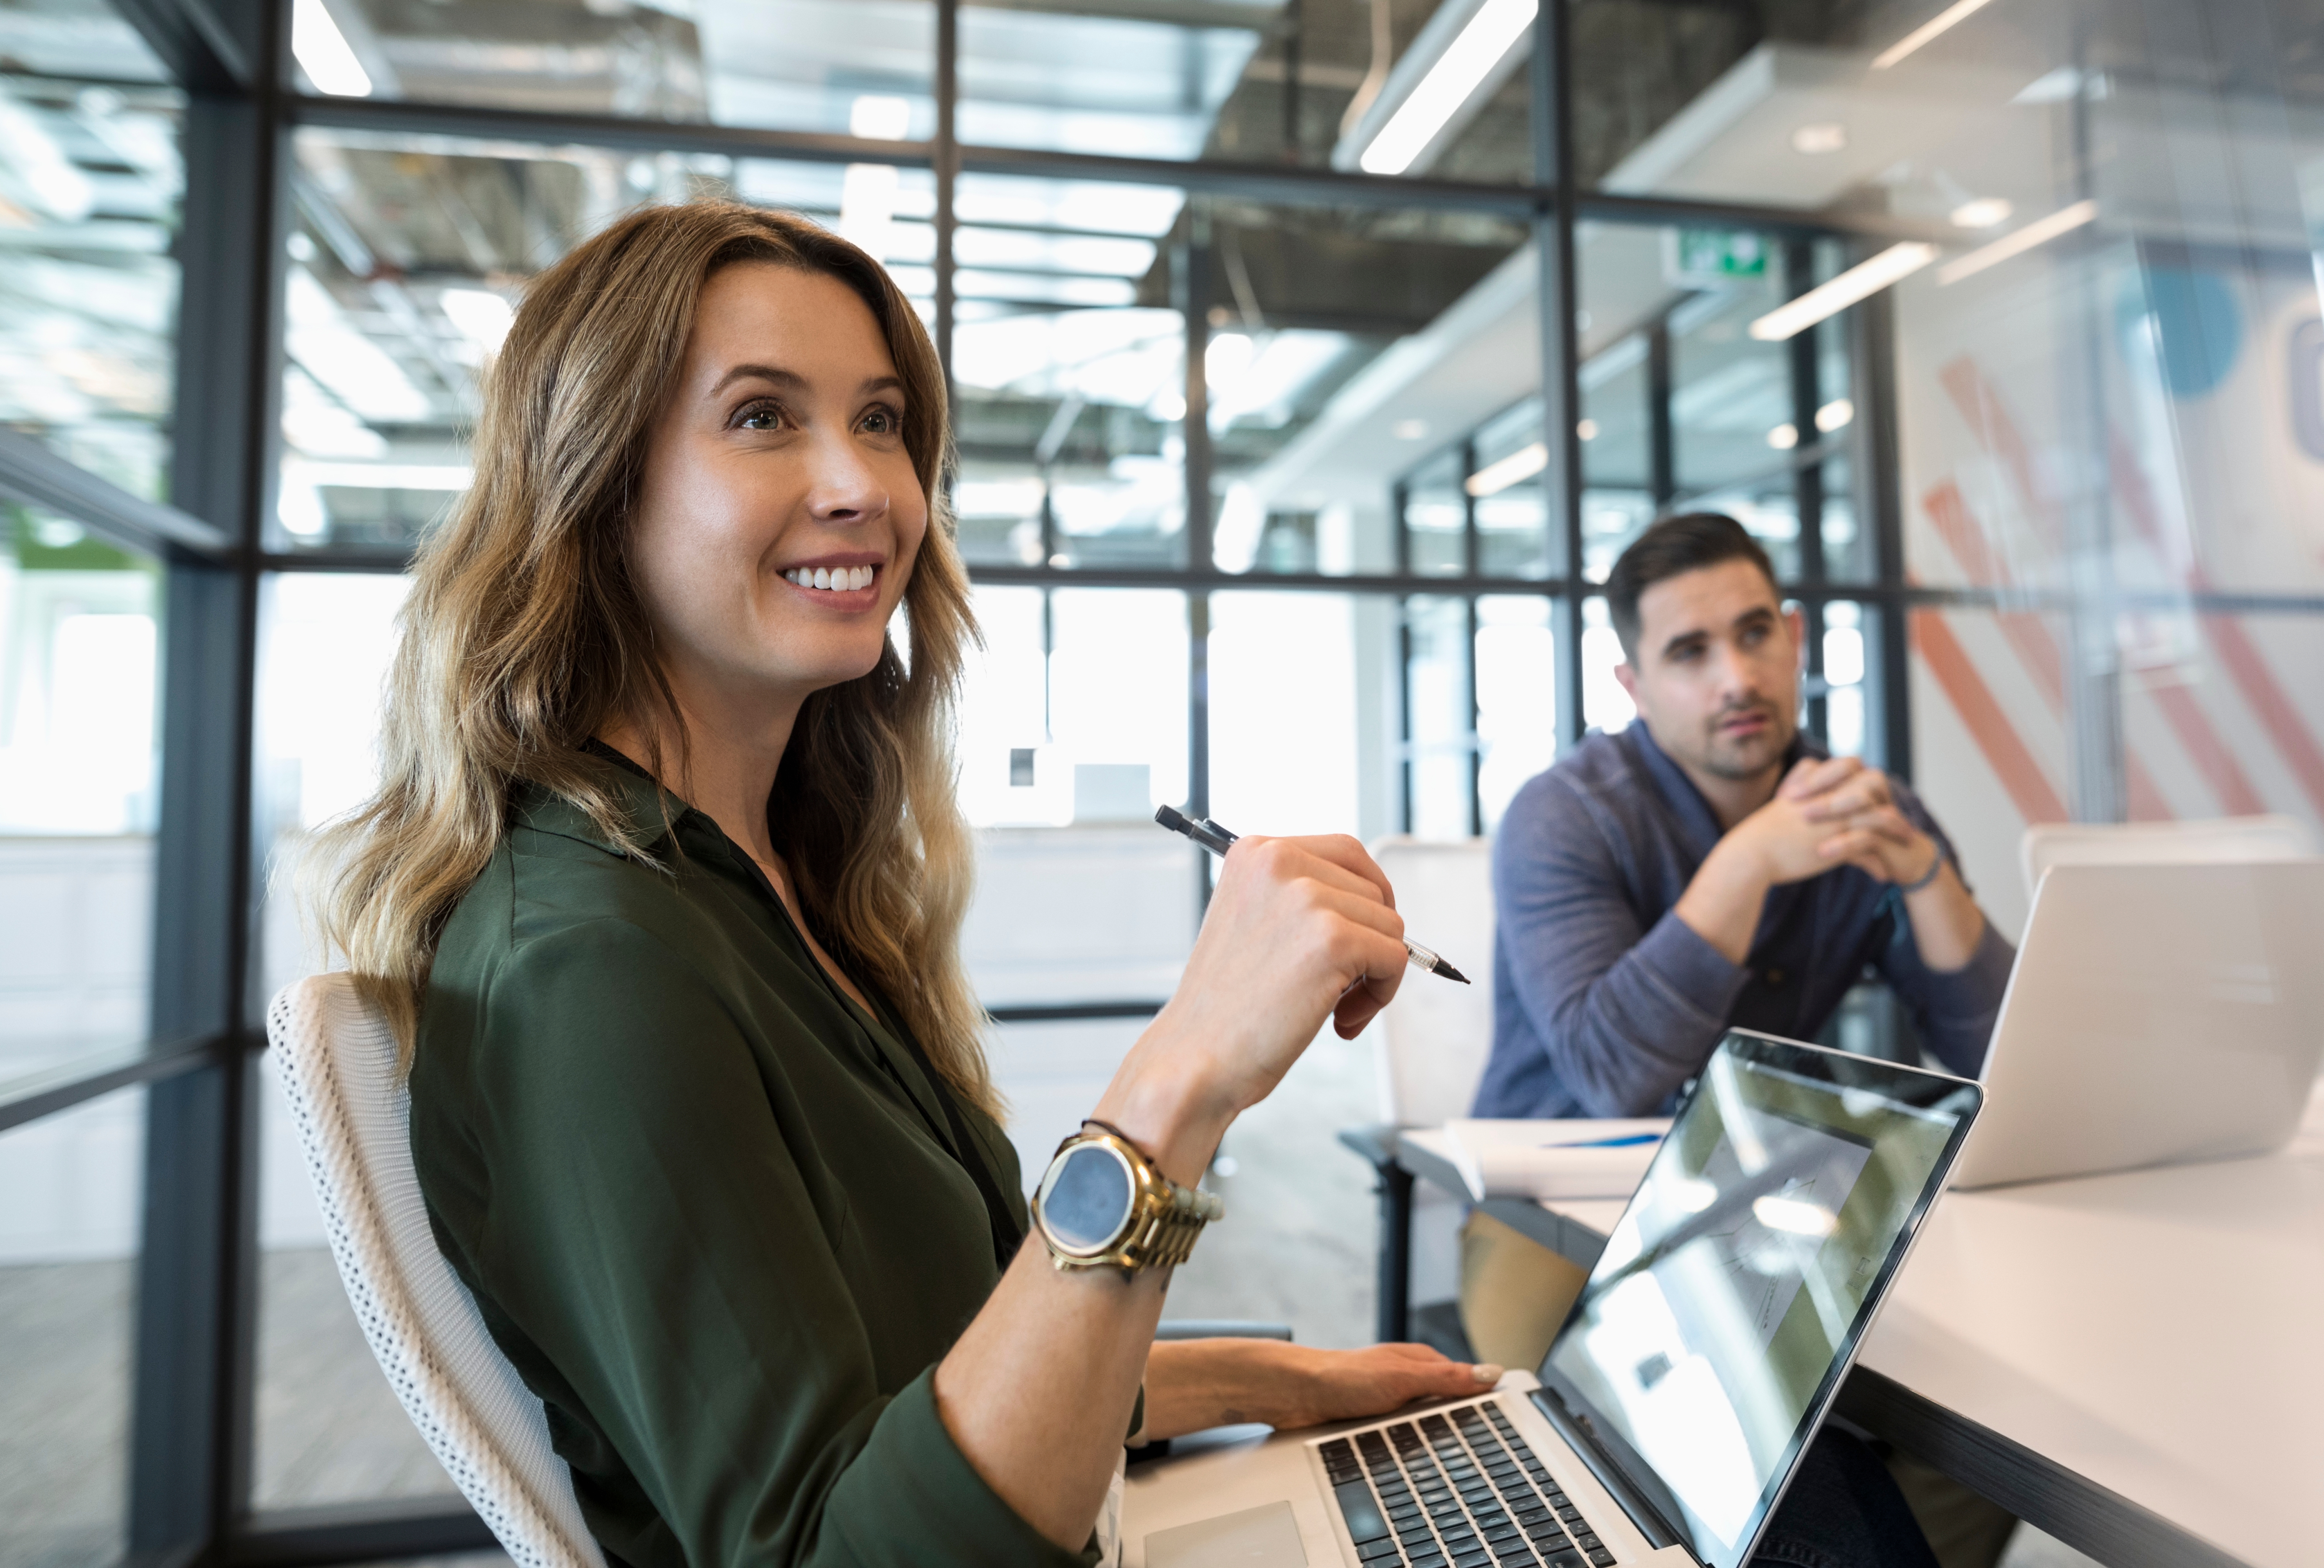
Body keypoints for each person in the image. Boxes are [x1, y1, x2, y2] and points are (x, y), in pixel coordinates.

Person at [306, 203, 1504, 1568]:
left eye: (882, 420)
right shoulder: (592, 957)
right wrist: (1182, 1075)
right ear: (597, 486)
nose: (865, 484)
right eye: (763, 417)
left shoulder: (767, 885)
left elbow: (936, 1383)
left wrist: (1281, 1387)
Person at [1461, 510, 2019, 1568]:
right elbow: (1615, 1074)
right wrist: (1750, 860)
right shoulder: (1564, 816)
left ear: (1797, 637)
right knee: (1607, 1464)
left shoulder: (1861, 806)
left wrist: (1921, 875)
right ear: (1631, 685)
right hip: (1548, 1206)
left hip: (1760, 1199)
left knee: (1986, 1421)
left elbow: (1995, 1052)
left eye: (1756, 633)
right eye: (1690, 652)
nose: (1736, 676)